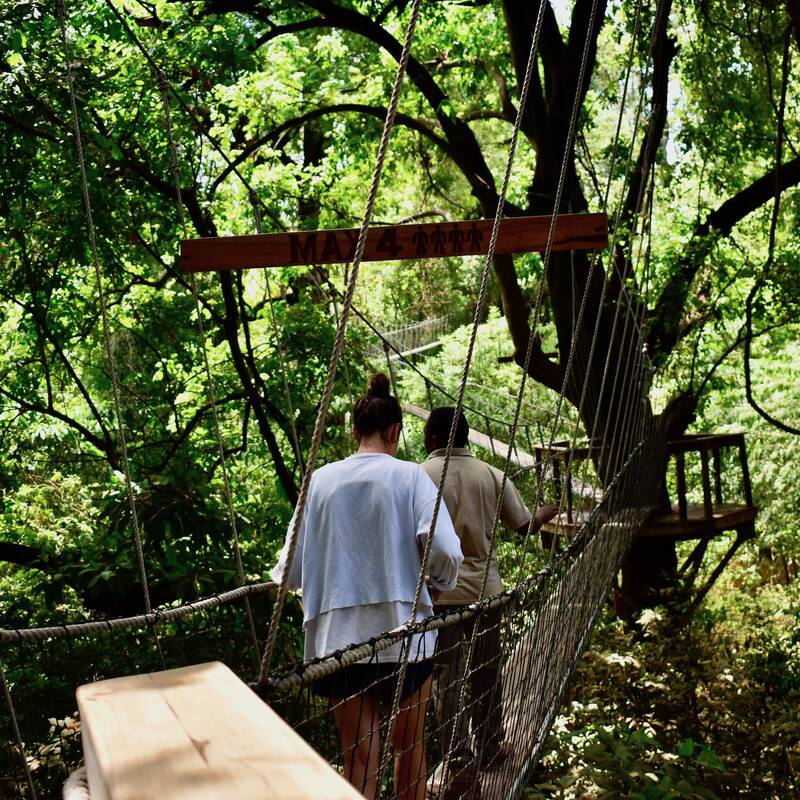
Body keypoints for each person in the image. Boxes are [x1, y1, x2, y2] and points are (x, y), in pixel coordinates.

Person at [270, 375, 463, 800]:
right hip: (403, 635)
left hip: (336, 641)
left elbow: (289, 571)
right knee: (409, 752)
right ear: (396, 431)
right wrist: (440, 584)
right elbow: (446, 550)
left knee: (359, 760)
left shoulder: (318, 481)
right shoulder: (411, 477)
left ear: (354, 432)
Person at [420, 406, 558, 782]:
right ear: (466, 437)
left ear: (432, 438)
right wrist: (545, 513)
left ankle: (458, 758)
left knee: (447, 677)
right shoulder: (492, 474)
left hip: (439, 596)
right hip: (485, 592)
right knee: (486, 671)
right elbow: (525, 526)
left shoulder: (419, 476)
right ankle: (492, 746)